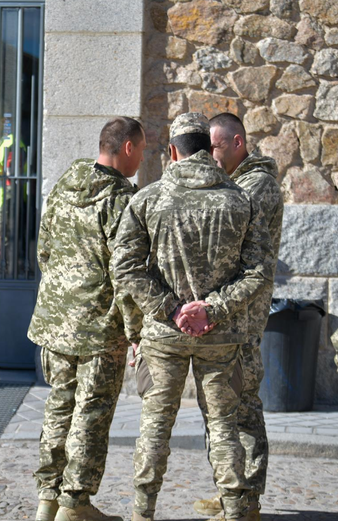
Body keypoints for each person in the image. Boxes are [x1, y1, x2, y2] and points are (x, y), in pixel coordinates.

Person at [113, 113, 273, 521]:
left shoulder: (148, 198)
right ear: (208, 148)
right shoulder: (240, 199)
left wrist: (169, 309)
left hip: (163, 336)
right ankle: (237, 510)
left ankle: (142, 512)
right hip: (220, 337)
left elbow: (126, 266)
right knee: (224, 425)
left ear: (172, 151)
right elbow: (258, 272)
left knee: (155, 423)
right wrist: (211, 310)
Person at [28, 117, 146, 521]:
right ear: (127, 148)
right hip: (99, 327)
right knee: (91, 413)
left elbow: (43, 249)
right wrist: (136, 332)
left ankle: (47, 498)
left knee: (59, 406)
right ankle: (74, 503)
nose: (142, 160)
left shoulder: (65, 183)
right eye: (142, 150)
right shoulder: (121, 200)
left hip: (55, 321)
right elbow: (126, 273)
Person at [189, 113, 284, 518]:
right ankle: (231, 488)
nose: (209, 154)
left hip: (241, 316)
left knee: (242, 404)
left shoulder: (255, 185)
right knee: (221, 406)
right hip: (224, 313)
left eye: (215, 146)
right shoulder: (234, 182)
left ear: (238, 143)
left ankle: (248, 499)